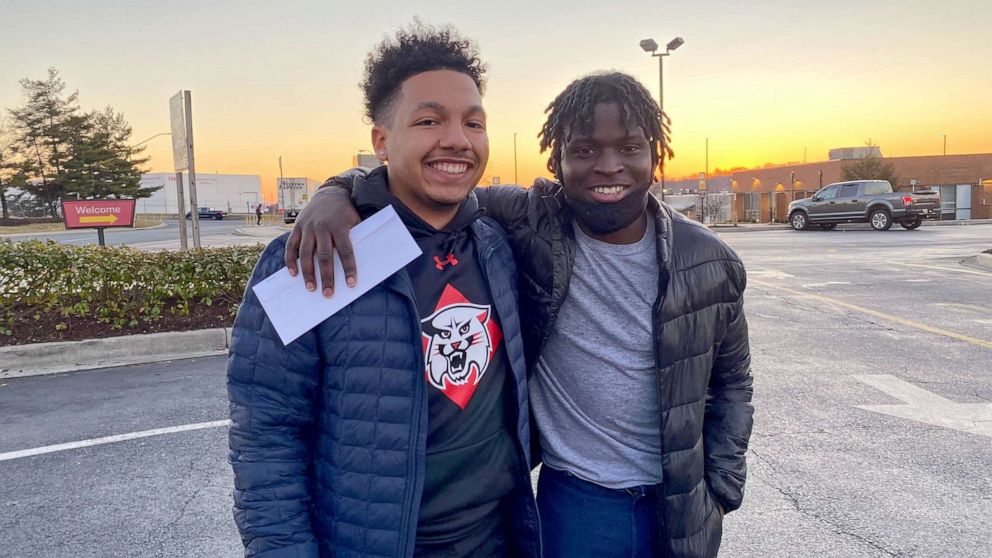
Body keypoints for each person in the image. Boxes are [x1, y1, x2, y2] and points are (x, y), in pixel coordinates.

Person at [288, 71, 755, 558]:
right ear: (557, 160)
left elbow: (733, 383)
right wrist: (335, 194)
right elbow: (415, 186)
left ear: (655, 155)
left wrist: (722, 489)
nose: (608, 166)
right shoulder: (528, 221)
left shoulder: (709, 260)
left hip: (679, 505)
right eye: (585, 150)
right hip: (575, 502)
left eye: (630, 148)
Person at [227, 23, 540, 558]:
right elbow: (267, 439)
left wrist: (337, 185)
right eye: (428, 120)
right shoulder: (316, 254)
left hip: (498, 541)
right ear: (381, 141)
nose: (457, 140)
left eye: (473, 123)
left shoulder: (497, 242)